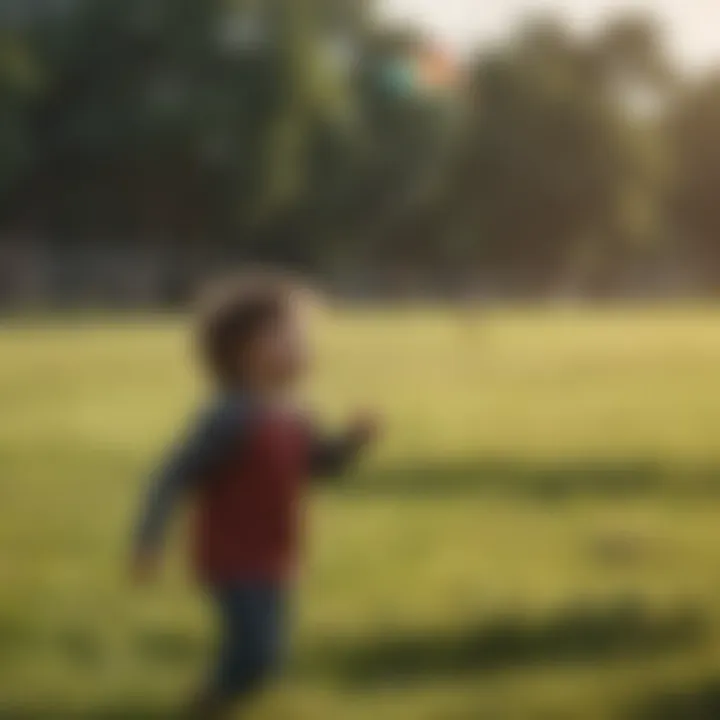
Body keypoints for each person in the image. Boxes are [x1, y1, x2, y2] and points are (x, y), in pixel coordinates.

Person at [131, 274, 379, 718]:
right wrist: (149, 539)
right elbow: (172, 475)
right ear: (243, 350)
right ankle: (205, 705)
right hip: (232, 558)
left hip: (277, 556)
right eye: (287, 337)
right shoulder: (230, 415)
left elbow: (318, 467)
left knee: (265, 657)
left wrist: (352, 443)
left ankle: (211, 702)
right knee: (258, 655)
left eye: (303, 338)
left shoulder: (294, 412)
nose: (302, 348)